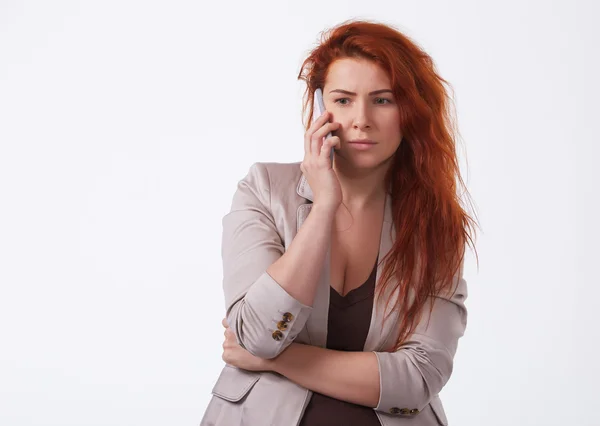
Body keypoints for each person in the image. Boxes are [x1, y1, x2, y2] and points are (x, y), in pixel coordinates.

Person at [200, 18, 479, 426]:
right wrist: (325, 203)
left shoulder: (433, 224)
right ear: (320, 107)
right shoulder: (263, 188)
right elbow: (257, 333)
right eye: (344, 100)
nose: (361, 119)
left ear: (410, 111)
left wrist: (281, 359)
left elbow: (419, 377)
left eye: (383, 100)